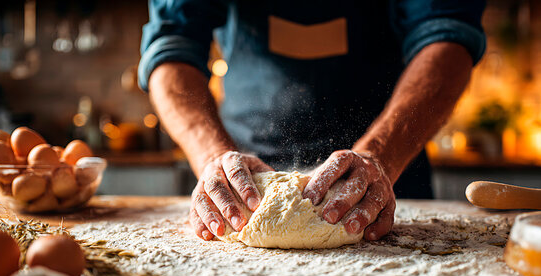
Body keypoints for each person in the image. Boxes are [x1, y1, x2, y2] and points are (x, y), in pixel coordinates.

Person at [139, 1, 486, 241]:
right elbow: (173, 45)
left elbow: (447, 37)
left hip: (384, 181)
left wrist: (379, 156)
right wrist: (212, 156)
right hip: (244, 182)